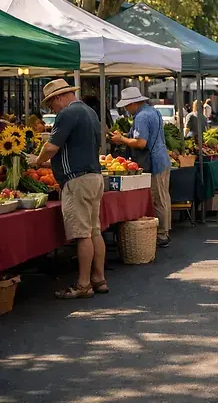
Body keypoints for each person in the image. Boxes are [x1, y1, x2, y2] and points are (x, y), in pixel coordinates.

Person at [27, 80, 105, 299]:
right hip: (95, 176)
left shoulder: (67, 114)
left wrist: (37, 161)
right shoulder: (89, 112)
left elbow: (51, 146)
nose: (52, 110)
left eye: (51, 105)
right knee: (94, 231)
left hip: (77, 180)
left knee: (82, 235)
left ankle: (83, 285)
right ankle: (98, 279)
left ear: (58, 98)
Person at [111, 87, 172, 248]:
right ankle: (165, 231)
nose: (125, 109)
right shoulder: (153, 112)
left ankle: (161, 234)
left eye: (126, 105)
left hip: (153, 162)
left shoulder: (142, 117)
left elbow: (141, 143)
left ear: (133, 103)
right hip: (162, 158)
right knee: (164, 197)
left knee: (158, 198)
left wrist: (122, 140)